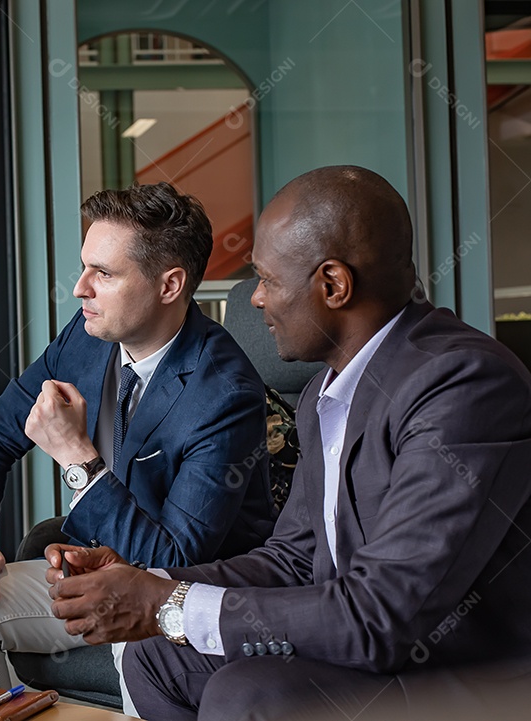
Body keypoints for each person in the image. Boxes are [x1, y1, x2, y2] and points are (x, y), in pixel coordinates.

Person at [44, 166, 531, 720]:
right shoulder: (327, 389)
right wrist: (145, 584)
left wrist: (168, 606)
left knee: (247, 692)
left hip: (466, 669)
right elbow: (295, 558)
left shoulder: (462, 385)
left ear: (332, 285)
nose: (255, 301)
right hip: (372, 644)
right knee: (156, 657)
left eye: (267, 281)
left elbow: (389, 613)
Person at [0, 182, 276, 699]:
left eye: (104, 274)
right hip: (93, 568)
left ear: (169, 285)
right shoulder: (87, 335)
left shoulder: (224, 393)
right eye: (84, 266)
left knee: (135, 648)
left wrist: (75, 456)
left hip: (178, 597)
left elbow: (174, 557)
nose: (80, 288)